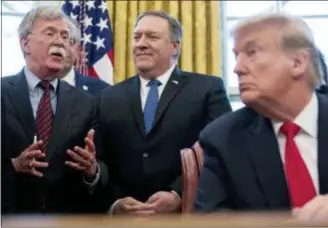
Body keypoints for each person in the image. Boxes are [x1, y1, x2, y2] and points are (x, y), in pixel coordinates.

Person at [194, 13, 328, 225]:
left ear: (298, 62)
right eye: (237, 56)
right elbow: (209, 221)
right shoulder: (223, 138)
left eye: (252, 53)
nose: (237, 68)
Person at [95, 10, 232, 215]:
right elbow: (99, 160)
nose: (141, 43)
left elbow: (219, 152)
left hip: (186, 216)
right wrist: (115, 204)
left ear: (174, 46)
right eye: (137, 36)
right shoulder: (108, 97)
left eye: (152, 37)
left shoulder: (208, 89)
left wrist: (180, 194)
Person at [1, 6, 105, 214]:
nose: (61, 41)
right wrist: (13, 165)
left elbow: (102, 167)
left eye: (65, 36)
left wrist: (92, 170)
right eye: (50, 33)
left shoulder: (87, 103)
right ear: (25, 43)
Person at [59, 17, 110, 97]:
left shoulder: (103, 91)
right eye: (57, 41)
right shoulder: (33, 86)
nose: (64, 47)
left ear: (78, 49)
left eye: (71, 41)